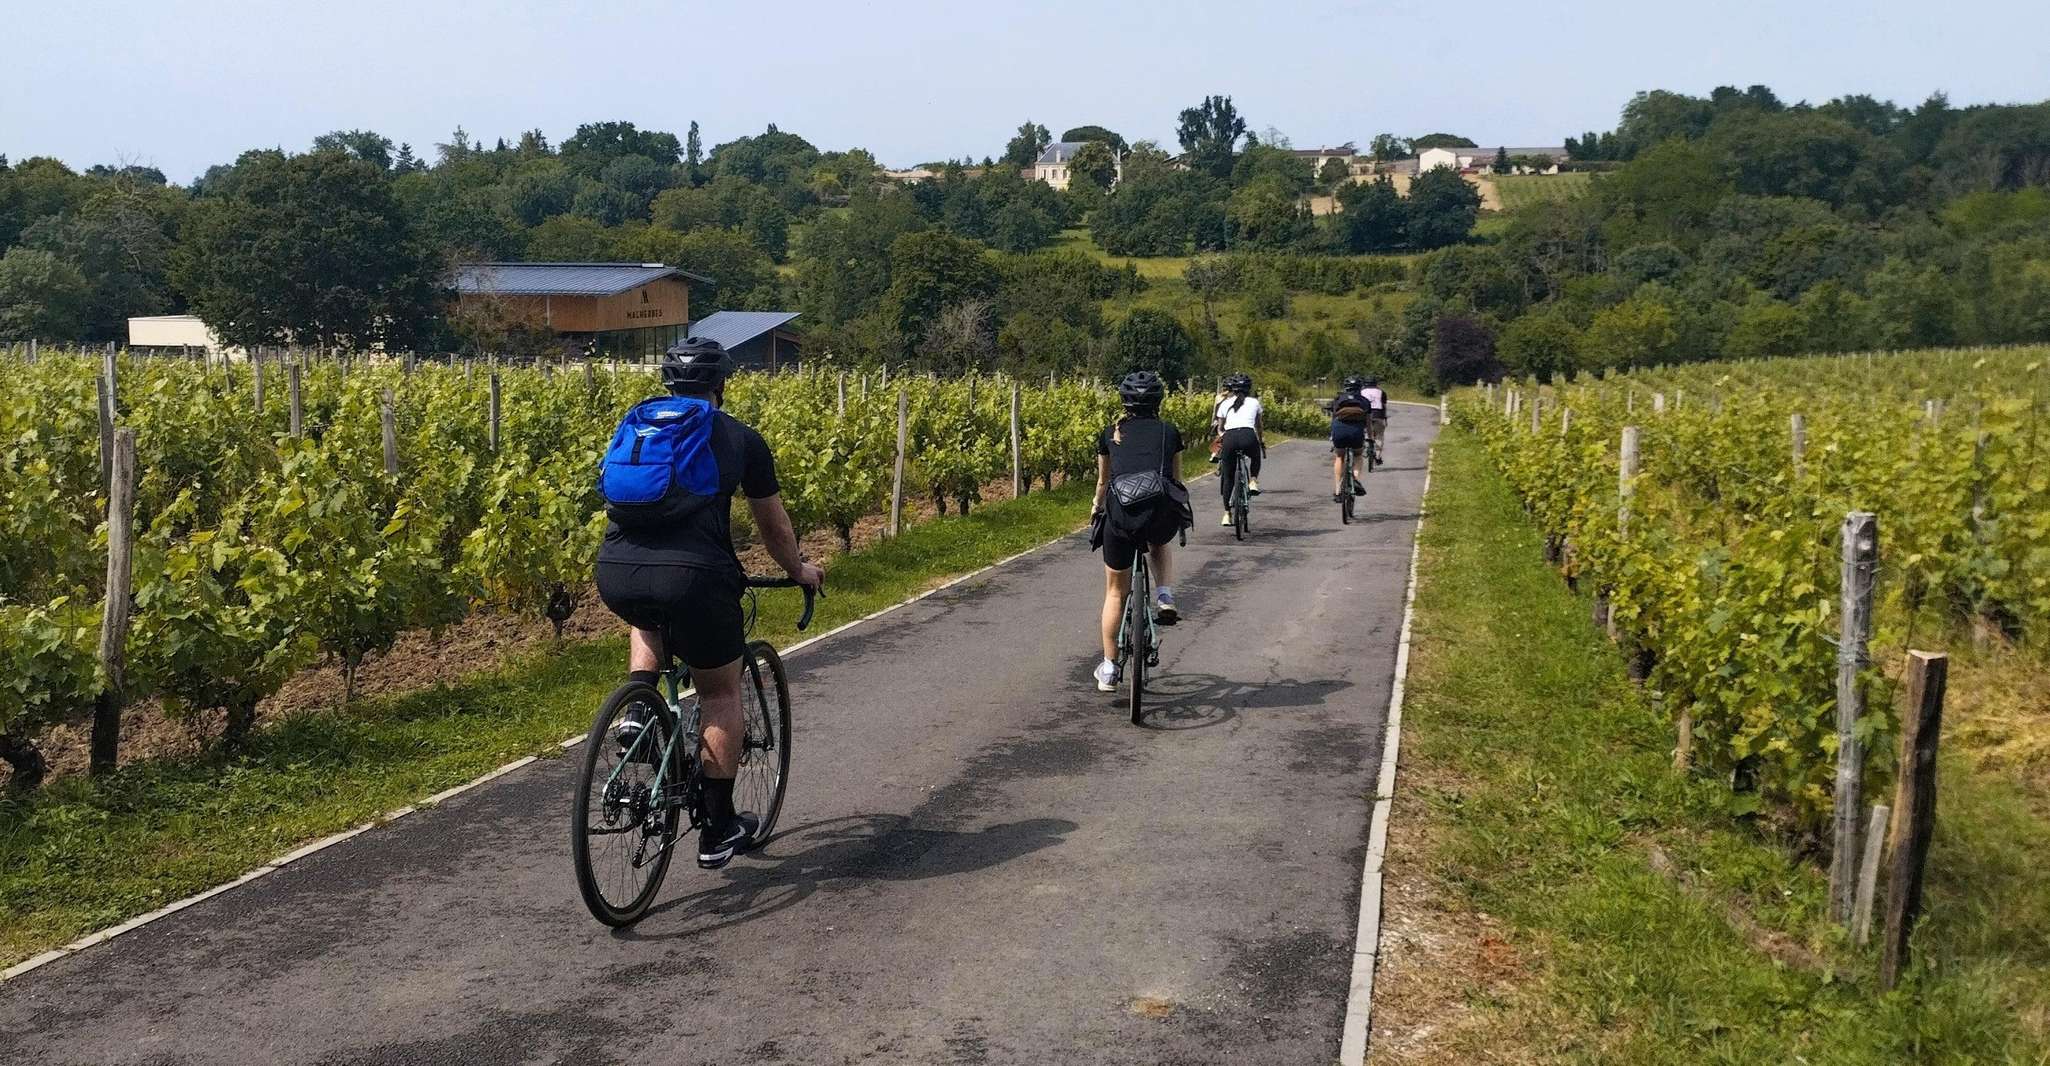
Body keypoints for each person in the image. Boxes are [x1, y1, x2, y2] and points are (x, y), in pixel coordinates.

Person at [593, 338, 824, 871]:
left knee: (647, 614)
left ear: (669, 385)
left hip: (618, 570)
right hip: (696, 580)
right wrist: (799, 571)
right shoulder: (739, 437)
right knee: (721, 692)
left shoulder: (639, 427)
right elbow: (773, 524)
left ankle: (637, 709)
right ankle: (717, 830)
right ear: (722, 385)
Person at [1091, 370, 1189, 692]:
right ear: (1158, 401)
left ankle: (1108, 669)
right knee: (1159, 540)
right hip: (1157, 513)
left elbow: (1104, 483)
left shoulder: (1110, 433)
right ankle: (1164, 596)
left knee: (1115, 592)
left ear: (1125, 401)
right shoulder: (1170, 432)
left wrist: (1095, 507)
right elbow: (1175, 480)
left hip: (1120, 514)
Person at [1213, 372, 1264, 525]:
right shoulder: (1254, 402)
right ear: (1249, 388)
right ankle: (1253, 480)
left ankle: (1227, 514)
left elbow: (1220, 427)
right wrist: (1260, 441)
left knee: (1228, 477)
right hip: (1248, 436)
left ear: (1232, 389)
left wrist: (1223, 436)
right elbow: (1258, 425)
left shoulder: (1224, 403)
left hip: (1230, 438)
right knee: (1255, 456)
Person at [1330, 375, 1372, 502]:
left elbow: (1333, 420)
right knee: (1358, 455)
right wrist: (1370, 438)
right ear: (1360, 388)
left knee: (1339, 456)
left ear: (1345, 387)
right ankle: (1355, 478)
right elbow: (1369, 424)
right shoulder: (1364, 401)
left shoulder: (1338, 399)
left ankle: (1337, 491)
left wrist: (1332, 435)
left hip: (1339, 430)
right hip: (1356, 432)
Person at [1361, 375, 1390, 463]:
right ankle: (1377, 457)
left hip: (1365, 415)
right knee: (1379, 436)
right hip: (1378, 415)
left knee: (1362, 431)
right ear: (1376, 383)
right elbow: (1384, 407)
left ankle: (1363, 445)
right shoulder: (1381, 392)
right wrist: (1385, 419)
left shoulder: (1361, 391)